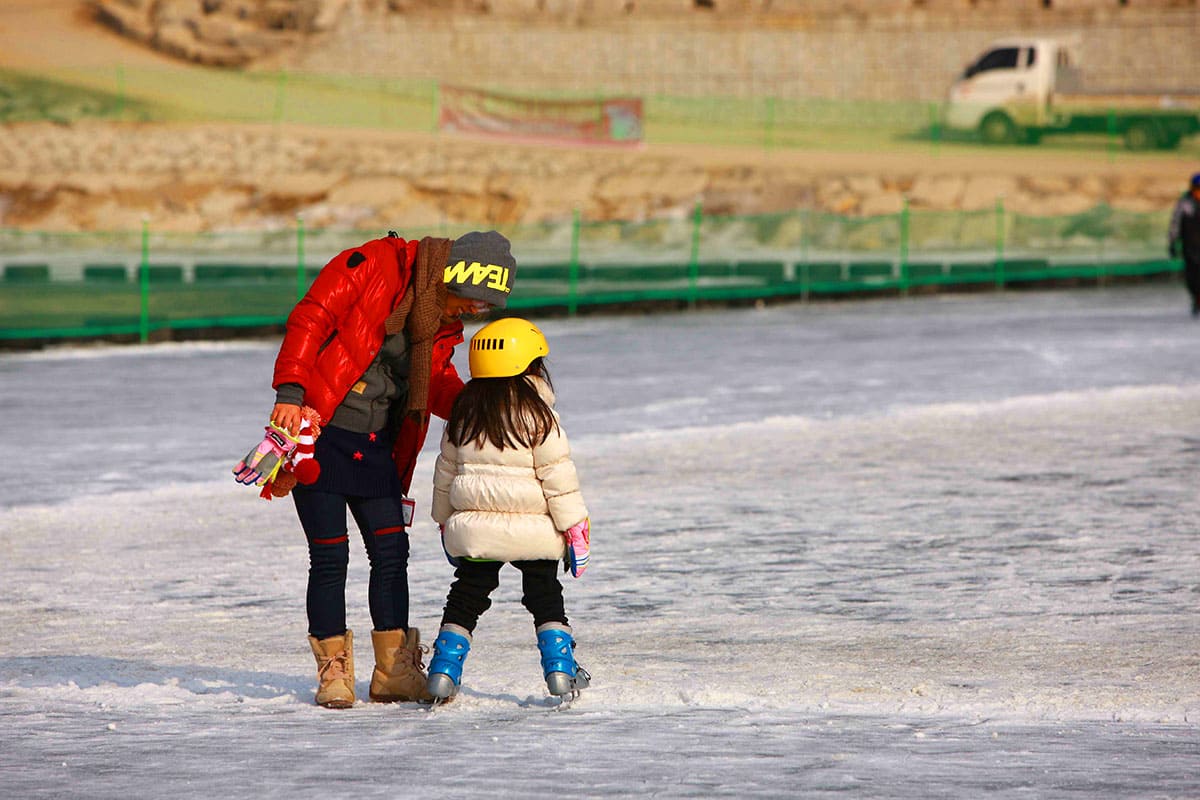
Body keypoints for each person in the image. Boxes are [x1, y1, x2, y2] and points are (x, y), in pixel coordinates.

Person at [234, 229, 518, 708]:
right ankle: (333, 674)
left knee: (391, 552)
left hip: (381, 443)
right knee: (330, 556)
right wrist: (290, 392)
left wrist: (481, 405)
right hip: (320, 433)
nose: (473, 312)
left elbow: (437, 377)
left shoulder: (438, 320)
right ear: (454, 276)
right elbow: (312, 317)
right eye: (473, 301)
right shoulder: (374, 264)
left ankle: (393, 672)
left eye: (483, 308)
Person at [426, 318, 592, 703]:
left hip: (475, 530)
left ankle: (443, 672)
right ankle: (560, 671)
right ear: (531, 367)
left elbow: (445, 473)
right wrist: (575, 527)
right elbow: (558, 478)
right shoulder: (539, 416)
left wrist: (444, 519)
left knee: (466, 595)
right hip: (533, 530)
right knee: (545, 594)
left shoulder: (463, 414)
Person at [1168, 172, 1200, 316]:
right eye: (1197, 189)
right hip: (1190, 247)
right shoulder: (1185, 204)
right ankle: (1196, 297)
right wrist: (1173, 242)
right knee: (1192, 276)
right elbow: (1175, 224)